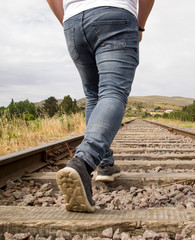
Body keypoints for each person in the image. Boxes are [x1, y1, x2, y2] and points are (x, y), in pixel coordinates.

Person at [46, 0, 154, 212]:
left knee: (94, 95)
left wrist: (68, 19)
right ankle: (84, 162)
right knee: (112, 91)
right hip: (116, 15)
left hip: (73, 22)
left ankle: (105, 164)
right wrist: (140, 26)